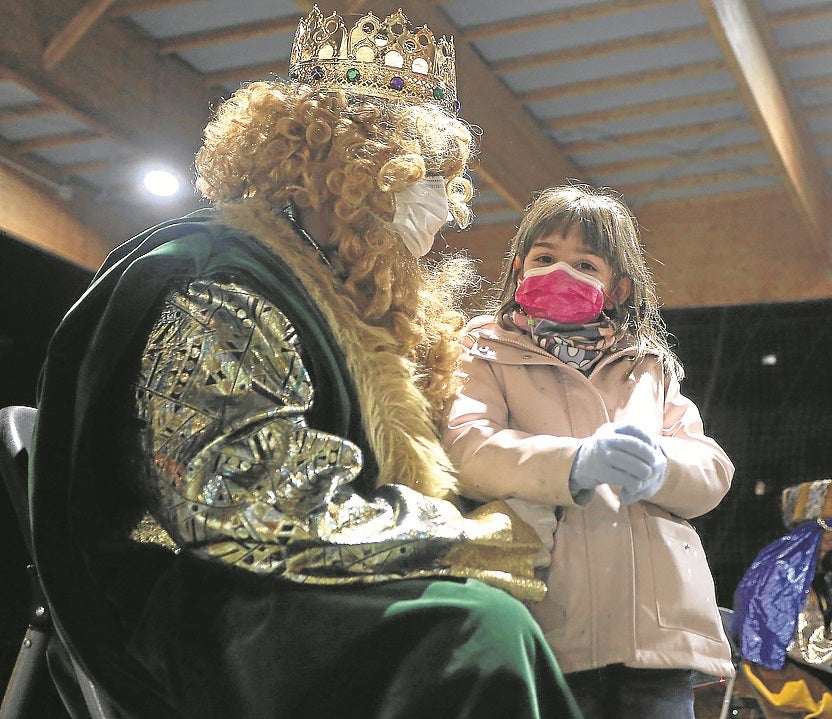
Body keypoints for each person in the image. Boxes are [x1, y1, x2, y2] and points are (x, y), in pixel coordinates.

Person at [28, 6, 582, 718]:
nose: (454, 212)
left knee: (494, 616)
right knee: (475, 627)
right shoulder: (218, 284)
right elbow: (241, 502)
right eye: (436, 180)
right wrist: (460, 536)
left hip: (274, 588)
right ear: (362, 173)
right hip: (206, 605)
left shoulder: (321, 290)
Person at [440, 184, 735, 718]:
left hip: (656, 628)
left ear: (618, 289)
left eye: (585, 265)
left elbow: (712, 468)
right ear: (516, 271)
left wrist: (662, 469)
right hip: (547, 619)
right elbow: (467, 446)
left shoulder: (647, 366)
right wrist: (572, 463)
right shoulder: (480, 350)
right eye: (545, 258)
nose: (561, 273)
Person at [730, 478, 832, 719]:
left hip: (801, 661)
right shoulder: (783, 572)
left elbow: (825, 634)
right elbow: (800, 643)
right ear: (816, 532)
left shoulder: (811, 575)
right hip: (775, 669)